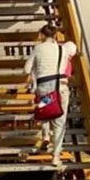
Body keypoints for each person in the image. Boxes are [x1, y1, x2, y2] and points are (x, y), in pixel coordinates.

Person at [24, 25, 77, 167]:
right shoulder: (62, 49)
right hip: (60, 89)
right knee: (60, 123)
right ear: (55, 35)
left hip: (44, 90)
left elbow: (26, 69)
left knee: (45, 112)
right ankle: (55, 157)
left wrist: (36, 69)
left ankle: (46, 136)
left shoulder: (38, 49)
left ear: (42, 35)